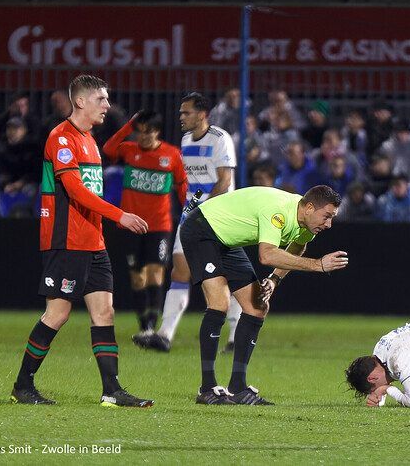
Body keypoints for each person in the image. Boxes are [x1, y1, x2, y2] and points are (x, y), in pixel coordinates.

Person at [11, 74, 152, 407]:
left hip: (93, 241)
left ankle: (112, 390)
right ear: (81, 101)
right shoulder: (61, 138)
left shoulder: (90, 140)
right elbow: (74, 190)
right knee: (57, 314)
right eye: (102, 99)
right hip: (67, 239)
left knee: (104, 313)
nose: (107, 105)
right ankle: (22, 384)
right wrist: (120, 216)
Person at [179, 185, 348, 405]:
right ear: (308, 208)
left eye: (332, 218)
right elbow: (266, 255)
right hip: (202, 228)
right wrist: (318, 265)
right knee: (219, 303)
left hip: (227, 241)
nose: (329, 224)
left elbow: (297, 247)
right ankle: (207, 388)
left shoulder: (308, 223)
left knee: (257, 308)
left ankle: (238, 387)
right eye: (326, 216)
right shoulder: (278, 211)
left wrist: (275, 279)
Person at [135, 92, 240, 353]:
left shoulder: (220, 139)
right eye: (181, 112)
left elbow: (224, 181)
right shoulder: (184, 140)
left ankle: (236, 336)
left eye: (186, 112)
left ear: (202, 114)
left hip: (218, 216)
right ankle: (164, 335)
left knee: (228, 275)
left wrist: (202, 209)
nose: (181, 117)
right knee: (180, 272)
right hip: (191, 214)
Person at [102, 110, 187, 338]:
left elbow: (182, 185)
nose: (142, 138)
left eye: (147, 133)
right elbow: (108, 149)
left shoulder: (172, 155)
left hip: (159, 225)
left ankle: (151, 322)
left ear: (157, 132)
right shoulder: (130, 151)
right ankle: (143, 324)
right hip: (131, 225)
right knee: (137, 275)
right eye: (138, 133)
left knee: (155, 273)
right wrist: (128, 126)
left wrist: (188, 212)